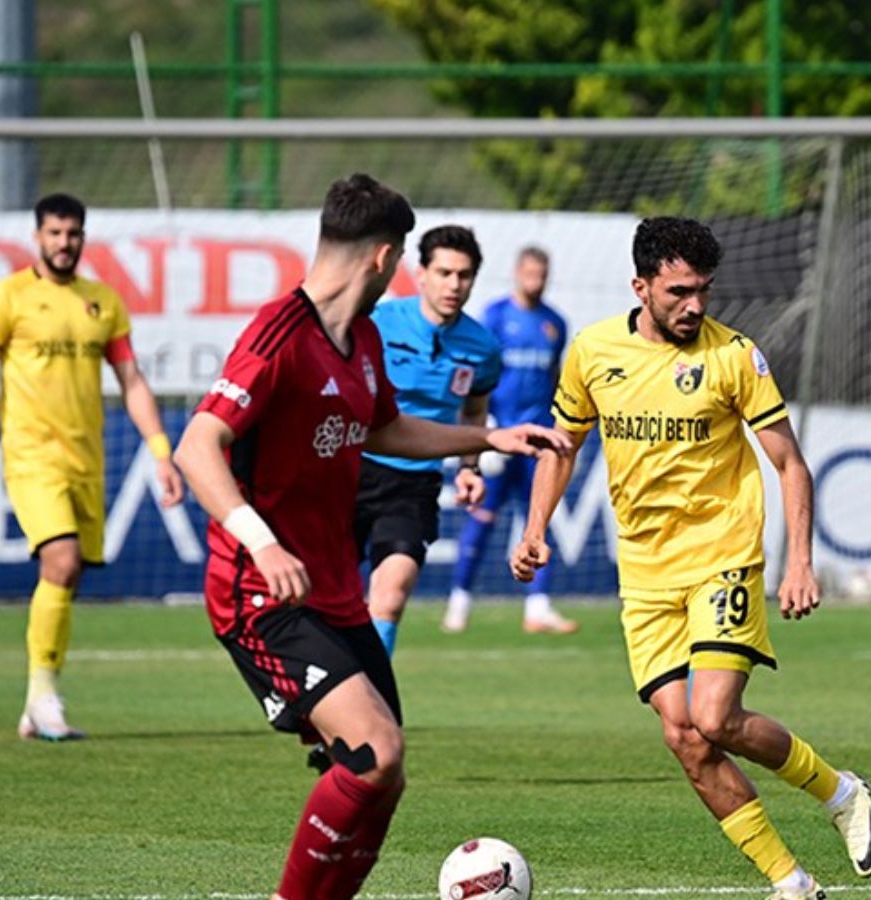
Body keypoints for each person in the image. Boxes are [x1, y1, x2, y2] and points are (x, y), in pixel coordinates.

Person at [173, 174, 567, 900]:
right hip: (263, 593)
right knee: (372, 753)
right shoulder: (279, 332)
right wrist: (262, 541)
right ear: (385, 257)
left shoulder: (362, 338)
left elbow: (385, 428)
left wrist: (487, 438)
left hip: (333, 595)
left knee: (387, 771)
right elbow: (197, 447)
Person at [511, 217, 871, 899]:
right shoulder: (593, 352)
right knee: (685, 738)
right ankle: (791, 881)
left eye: (703, 290)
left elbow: (790, 464)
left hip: (722, 555)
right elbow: (561, 446)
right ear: (641, 287)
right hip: (644, 573)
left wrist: (800, 561)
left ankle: (840, 792)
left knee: (714, 717)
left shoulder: (735, 356)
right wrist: (536, 526)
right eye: (679, 291)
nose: (695, 305)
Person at [0, 192, 184, 741]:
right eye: (54, 233)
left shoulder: (101, 302)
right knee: (62, 559)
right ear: (37, 237)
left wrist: (160, 452)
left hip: (86, 460)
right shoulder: (7, 297)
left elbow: (131, 380)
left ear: (83, 237)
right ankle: (43, 697)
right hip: (31, 457)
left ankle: (37, 701)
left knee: (67, 575)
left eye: (73, 233)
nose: (64, 243)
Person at [355, 225, 501, 657]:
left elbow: (473, 412)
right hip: (353, 468)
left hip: (415, 482)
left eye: (464, 275)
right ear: (421, 274)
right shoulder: (379, 322)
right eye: (444, 273)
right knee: (326, 593)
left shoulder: (483, 349)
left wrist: (470, 467)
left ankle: (371, 689)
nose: (454, 285)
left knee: (391, 593)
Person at [446, 246, 578, 635]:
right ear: (517, 273)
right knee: (482, 520)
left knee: (539, 518)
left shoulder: (555, 323)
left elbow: (554, 379)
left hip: (538, 441)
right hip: (502, 439)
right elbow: (480, 375)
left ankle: (538, 607)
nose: (536, 281)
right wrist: (487, 427)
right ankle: (459, 601)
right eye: (530, 273)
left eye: (542, 275)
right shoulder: (496, 316)